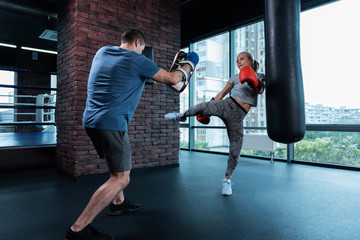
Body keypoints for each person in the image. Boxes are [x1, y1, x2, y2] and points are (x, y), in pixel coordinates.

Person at [65, 29, 199, 240]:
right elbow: (175, 80)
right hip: (112, 123)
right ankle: (78, 228)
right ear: (138, 43)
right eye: (142, 49)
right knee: (121, 178)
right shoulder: (138, 60)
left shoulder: (102, 52)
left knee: (114, 163)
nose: (141, 52)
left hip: (90, 120)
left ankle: (118, 204)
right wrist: (190, 62)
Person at [165, 52, 265, 196]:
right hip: (227, 105)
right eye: (237, 61)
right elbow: (222, 93)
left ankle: (227, 179)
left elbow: (261, 90)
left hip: (238, 116)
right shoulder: (234, 78)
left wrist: (252, 79)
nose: (239, 62)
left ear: (250, 60)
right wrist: (210, 106)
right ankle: (181, 116)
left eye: (242, 59)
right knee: (203, 106)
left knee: (236, 149)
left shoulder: (260, 75)